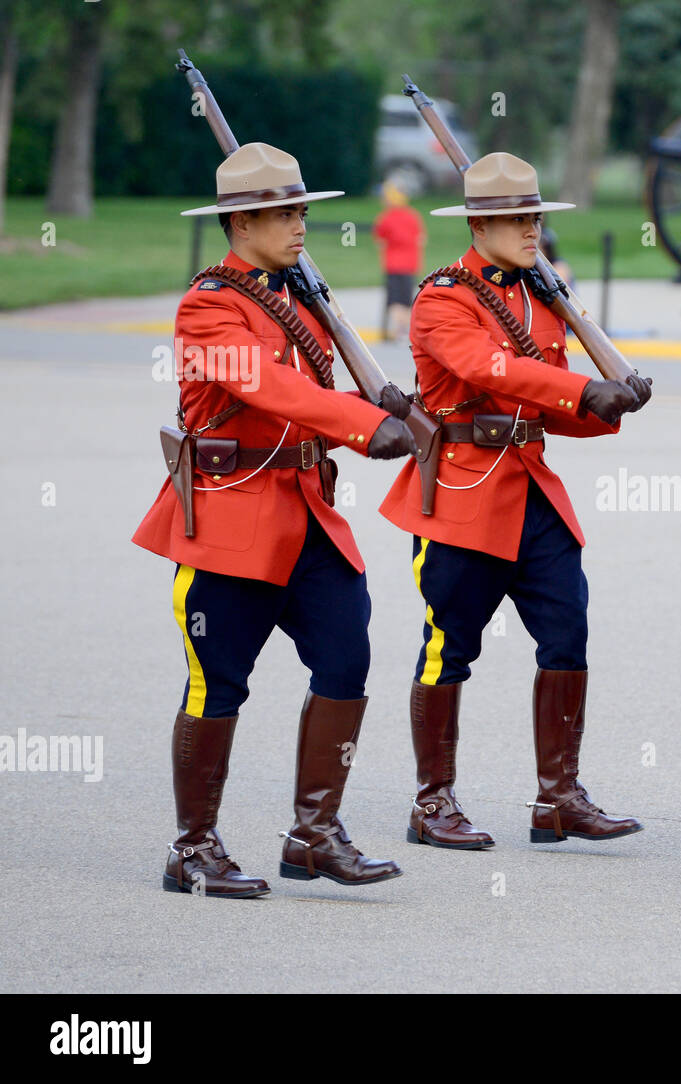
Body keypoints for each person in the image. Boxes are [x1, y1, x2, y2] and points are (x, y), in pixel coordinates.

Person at [133, 143, 417, 897]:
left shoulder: (294, 293)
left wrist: (383, 400)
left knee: (346, 661)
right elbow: (266, 388)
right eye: (285, 213)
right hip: (231, 525)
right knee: (217, 684)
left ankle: (314, 834)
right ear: (242, 220)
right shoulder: (208, 307)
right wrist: (361, 424)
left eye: (302, 211)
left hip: (308, 517)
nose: (300, 224)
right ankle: (192, 849)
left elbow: (319, 381)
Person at [379, 152, 652, 849]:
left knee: (568, 636)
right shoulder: (442, 296)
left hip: (531, 490)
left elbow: (544, 398)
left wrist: (608, 405)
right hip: (464, 494)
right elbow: (487, 368)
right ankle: (432, 801)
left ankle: (558, 798)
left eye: (534, 214)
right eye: (514, 218)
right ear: (477, 223)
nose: (530, 227)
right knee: (449, 646)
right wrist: (581, 388)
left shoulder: (537, 295)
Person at [373, 180, 426, 342]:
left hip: (393, 265)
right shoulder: (413, 216)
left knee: (395, 299)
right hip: (410, 264)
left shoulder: (385, 218)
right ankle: (402, 328)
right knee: (406, 297)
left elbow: (380, 240)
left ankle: (401, 328)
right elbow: (421, 239)